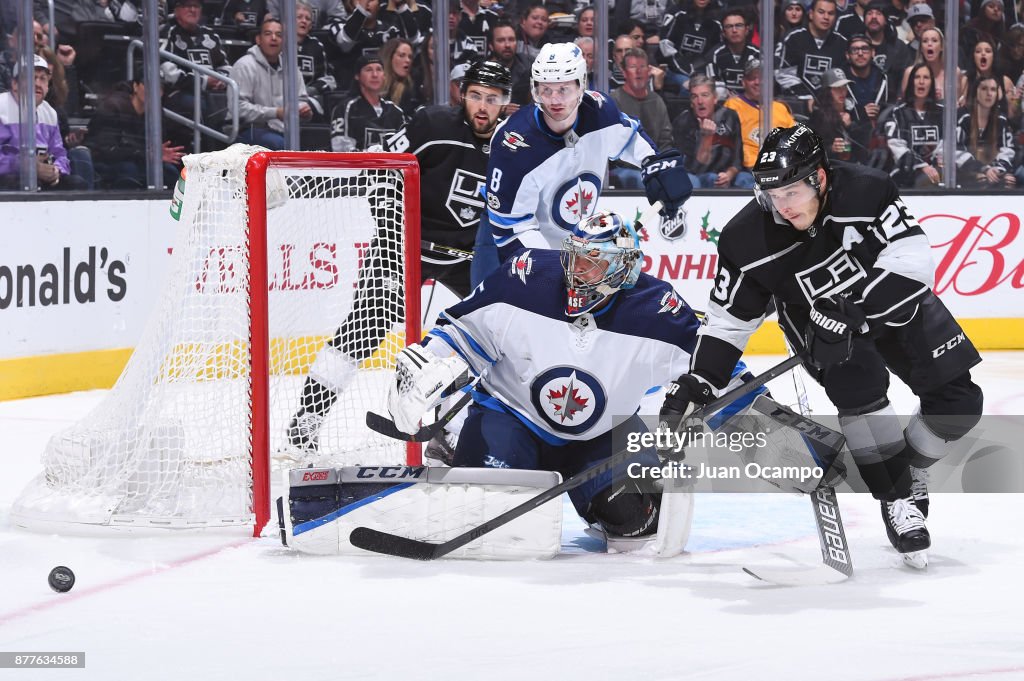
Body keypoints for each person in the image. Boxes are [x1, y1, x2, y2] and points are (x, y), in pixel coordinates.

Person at [666, 124, 983, 565]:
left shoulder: (867, 189)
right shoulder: (745, 238)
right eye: (772, 195)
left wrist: (855, 306)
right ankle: (895, 498)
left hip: (896, 304)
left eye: (792, 192)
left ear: (819, 176)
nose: (782, 205)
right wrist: (701, 378)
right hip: (820, 328)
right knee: (863, 391)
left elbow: (912, 258)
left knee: (960, 403)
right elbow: (727, 321)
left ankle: (906, 472)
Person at [383, 210, 701, 541]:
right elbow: (462, 332)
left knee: (635, 519)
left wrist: (746, 411)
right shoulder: (525, 277)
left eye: (592, 261)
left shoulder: (660, 312)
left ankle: (600, 502)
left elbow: (714, 370)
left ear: (621, 267)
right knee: (487, 517)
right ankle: (458, 447)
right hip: (512, 417)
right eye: (574, 255)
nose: (576, 269)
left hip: (603, 433)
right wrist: (426, 368)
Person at [287, 61, 514, 453]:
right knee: (362, 329)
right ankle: (306, 419)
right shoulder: (433, 125)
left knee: (496, 336)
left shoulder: (515, 146)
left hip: (467, 256)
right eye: (475, 95)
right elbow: (379, 167)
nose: (482, 106)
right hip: (407, 245)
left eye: (492, 99)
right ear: (462, 93)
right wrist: (394, 231)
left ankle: (451, 427)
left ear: (505, 103)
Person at [477, 41, 692, 284]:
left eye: (564, 89)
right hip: (503, 242)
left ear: (581, 86)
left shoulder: (600, 112)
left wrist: (654, 164)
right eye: (545, 90)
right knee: (494, 316)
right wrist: (555, 270)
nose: (554, 100)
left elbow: (629, 137)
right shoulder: (514, 146)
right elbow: (511, 229)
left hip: (572, 244)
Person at [0, 54, 86, 190]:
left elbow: (60, 153)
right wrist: (21, 166)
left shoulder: (50, 113)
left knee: (76, 183)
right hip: (7, 181)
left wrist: (56, 171)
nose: (38, 84)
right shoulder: (2, 108)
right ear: (15, 84)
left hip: (41, 179)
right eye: (31, 78)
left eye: (43, 79)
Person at [86, 78, 184, 189]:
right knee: (129, 170)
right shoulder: (112, 106)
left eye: (159, 88)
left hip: (139, 159)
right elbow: (107, 149)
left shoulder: (156, 113)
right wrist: (147, 154)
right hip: (106, 161)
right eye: (147, 85)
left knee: (169, 171)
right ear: (135, 86)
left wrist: (157, 153)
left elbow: (156, 147)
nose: (153, 91)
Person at [233, 17, 315, 150]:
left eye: (279, 35)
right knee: (280, 145)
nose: (274, 38)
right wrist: (275, 112)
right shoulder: (244, 65)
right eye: (268, 34)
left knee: (317, 145)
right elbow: (239, 108)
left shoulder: (292, 68)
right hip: (249, 129)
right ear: (258, 39)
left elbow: (301, 100)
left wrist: (303, 111)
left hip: (284, 130)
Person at [610, 47, 674, 189]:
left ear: (648, 71)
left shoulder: (657, 101)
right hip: (623, 169)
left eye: (642, 67)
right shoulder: (614, 101)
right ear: (624, 72)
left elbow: (665, 141)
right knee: (641, 180)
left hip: (654, 167)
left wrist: (660, 166)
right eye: (633, 67)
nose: (638, 71)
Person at [671, 74, 748, 188]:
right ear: (691, 102)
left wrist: (729, 174)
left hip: (727, 175)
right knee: (708, 178)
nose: (700, 101)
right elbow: (694, 169)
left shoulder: (730, 117)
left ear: (715, 98)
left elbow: (737, 159)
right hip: (699, 177)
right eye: (694, 96)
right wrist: (706, 137)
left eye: (705, 95)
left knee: (746, 179)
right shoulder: (683, 122)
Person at [724, 59, 797, 175]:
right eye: (752, 78)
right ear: (743, 82)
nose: (757, 82)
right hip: (749, 170)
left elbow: (796, 139)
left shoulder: (780, 108)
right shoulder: (733, 105)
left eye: (762, 78)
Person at [775, 0, 848, 103]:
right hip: (797, 103)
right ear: (811, 14)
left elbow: (844, 78)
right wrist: (807, 98)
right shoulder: (793, 38)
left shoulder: (842, 43)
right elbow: (783, 75)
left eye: (830, 13)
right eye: (821, 12)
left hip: (830, 106)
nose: (826, 17)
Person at [885, 62, 944, 187]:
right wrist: (922, 166)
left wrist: (935, 166)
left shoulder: (942, 113)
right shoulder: (898, 113)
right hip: (905, 177)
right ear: (911, 82)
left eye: (926, 78)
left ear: (932, 83)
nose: (921, 82)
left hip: (938, 174)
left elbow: (948, 144)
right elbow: (896, 147)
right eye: (917, 77)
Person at [329, 54, 405, 152]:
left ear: (384, 76)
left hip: (391, 166)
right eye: (368, 70)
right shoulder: (345, 108)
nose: (375, 75)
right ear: (357, 76)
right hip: (358, 166)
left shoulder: (396, 112)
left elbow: (406, 147)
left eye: (379, 69)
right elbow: (340, 150)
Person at [955, 75, 1018, 189]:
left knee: (1009, 181)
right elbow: (955, 151)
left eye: (993, 90)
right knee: (981, 179)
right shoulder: (963, 116)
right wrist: (983, 169)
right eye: (984, 89)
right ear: (975, 92)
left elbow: (1008, 150)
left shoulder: (1001, 119)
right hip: (965, 171)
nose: (989, 93)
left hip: (993, 169)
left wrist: (997, 169)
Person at [808, 67, 873, 164]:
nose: (842, 92)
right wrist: (831, 149)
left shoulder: (857, 110)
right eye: (837, 88)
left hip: (857, 164)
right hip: (831, 165)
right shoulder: (819, 115)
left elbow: (867, 141)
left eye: (844, 86)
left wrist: (851, 126)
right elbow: (811, 147)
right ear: (828, 91)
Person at [705, 9, 760, 97]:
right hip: (724, 105)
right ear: (723, 33)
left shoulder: (758, 54)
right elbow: (715, 88)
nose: (734, 30)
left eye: (739, 25)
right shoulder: (714, 55)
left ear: (747, 29)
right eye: (729, 26)